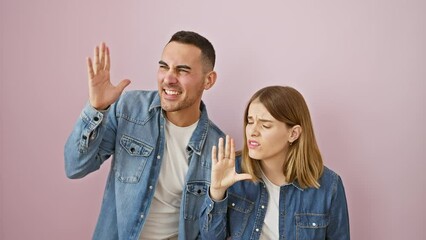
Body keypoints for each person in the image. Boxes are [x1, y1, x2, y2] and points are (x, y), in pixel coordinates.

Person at [64, 31, 225, 240]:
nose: (168, 78)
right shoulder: (128, 110)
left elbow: (211, 233)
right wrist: (96, 109)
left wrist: (218, 196)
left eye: (182, 70)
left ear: (208, 80)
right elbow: (75, 167)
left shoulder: (218, 148)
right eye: (163, 67)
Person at [200, 86, 350, 239]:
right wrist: (217, 193)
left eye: (265, 125)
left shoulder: (329, 186)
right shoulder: (233, 172)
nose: (253, 131)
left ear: (293, 134)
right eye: (250, 122)